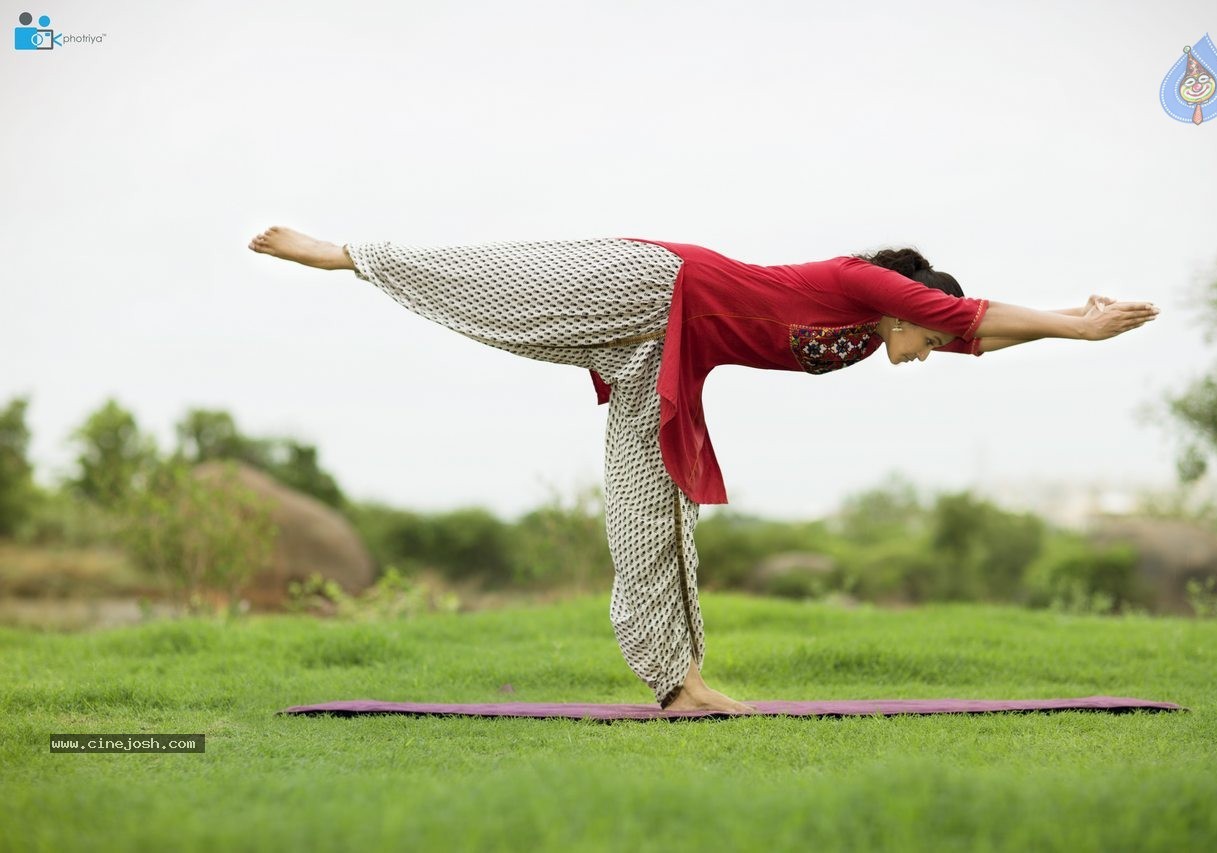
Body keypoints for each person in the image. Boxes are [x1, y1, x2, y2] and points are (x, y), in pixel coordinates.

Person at [248, 226, 1159, 714]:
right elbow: (975, 314)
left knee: (654, 509)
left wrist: (1062, 328)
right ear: (913, 305)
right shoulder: (869, 287)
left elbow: (979, 332)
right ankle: (347, 255)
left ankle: (677, 682)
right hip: (654, 283)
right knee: (505, 288)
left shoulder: (863, 342)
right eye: (932, 332)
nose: (933, 349)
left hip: (667, 353)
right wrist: (1078, 322)